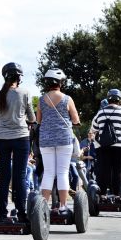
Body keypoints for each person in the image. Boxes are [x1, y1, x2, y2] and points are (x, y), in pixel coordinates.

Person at [0, 62, 36, 222]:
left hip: (2, 138)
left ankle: (2, 213)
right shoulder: (24, 93)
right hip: (20, 136)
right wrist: (28, 120)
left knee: (4, 176)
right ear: (19, 77)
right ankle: (21, 212)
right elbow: (32, 117)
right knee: (20, 175)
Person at [36, 69, 80, 214]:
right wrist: (75, 122)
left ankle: (43, 207)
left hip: (46, 140)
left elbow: (38, 120)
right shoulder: (67, 99)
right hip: (64, 138)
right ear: (61, 83)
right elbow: (75, 119)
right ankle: (62, 206)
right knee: (62, 172)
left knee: (48, 172)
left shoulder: (42, 100)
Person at [91, 89, 121, 198]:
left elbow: (94, 129)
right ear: (119, 99)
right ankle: (117, 195)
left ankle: (102, 195)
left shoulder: (101, 112)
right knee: (118, 170)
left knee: (104, 170)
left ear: (108, 98)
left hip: (104, 146)